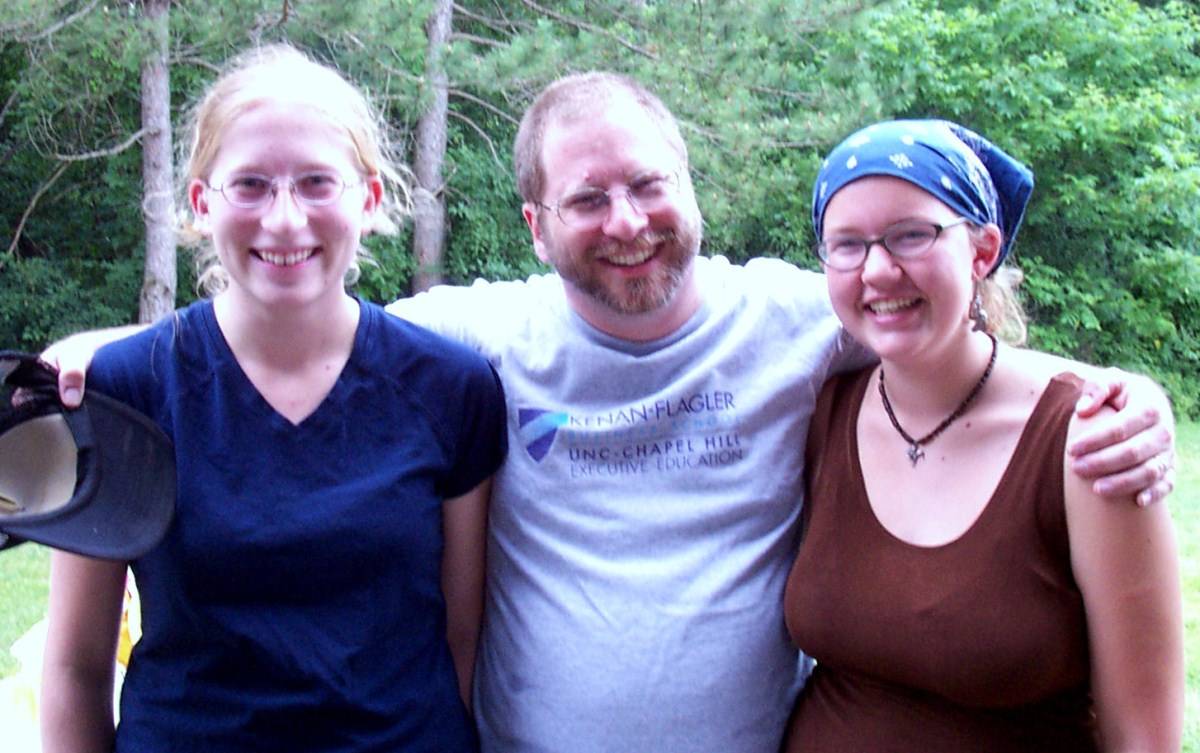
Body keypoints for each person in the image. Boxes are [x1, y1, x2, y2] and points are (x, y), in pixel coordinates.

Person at [43, 73, 1176, 753]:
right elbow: (300, 312)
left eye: (647, 185)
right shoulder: (478, 339)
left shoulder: (794, 316)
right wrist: (96, 357)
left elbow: (933, 318)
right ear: (536, 227)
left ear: (692, 189)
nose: (626, 220)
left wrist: (1125, 390)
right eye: (587, 198)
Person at [39, 44, 507, 753]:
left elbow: (459, 637)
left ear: (368, 199)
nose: (285, 220)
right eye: (251, 185)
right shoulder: (124, 392)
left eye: (317, 183)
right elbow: (75, 665)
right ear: (201, 203)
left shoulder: (450, 389)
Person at [782, 119, 1183, 751]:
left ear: (982, 250)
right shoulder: (824, 411)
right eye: (848, 245)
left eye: (911, 235)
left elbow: (1144, 737)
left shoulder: (1090, 440)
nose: (878, 270)